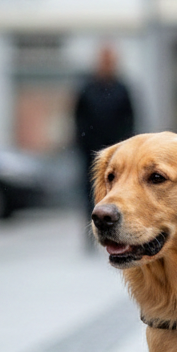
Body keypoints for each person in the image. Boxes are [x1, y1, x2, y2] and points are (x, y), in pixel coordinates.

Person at [74, 46, 135, 235]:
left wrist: (126, 148)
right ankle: (92, 230)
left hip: (118, 154)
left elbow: (130, 120)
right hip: (91, 153)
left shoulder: (122, 88)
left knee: (120, 190)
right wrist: (85, 145)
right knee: (91, 192)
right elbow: (79, 120)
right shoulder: (87, 88)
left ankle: (120, 225)